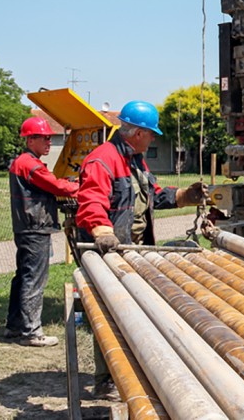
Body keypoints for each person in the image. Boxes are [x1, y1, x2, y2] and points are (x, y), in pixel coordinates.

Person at [76, 100, 207, 399]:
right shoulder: (103, 160)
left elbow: (154, 197)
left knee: (133, 311)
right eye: (151, 134)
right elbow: (91, 201)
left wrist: (186, 196)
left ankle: (131, 369)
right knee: (109, 314)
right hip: (107, 249)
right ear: (137, 133)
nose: (153, 139)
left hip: (131, 248)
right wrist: (103, 231)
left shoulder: (135, 161)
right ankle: (106, 379)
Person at [7, 117, 79, 347]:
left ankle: (14, 326)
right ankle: (31, 332)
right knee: (34, 279)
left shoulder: (24, 162)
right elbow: (57, 187)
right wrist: (82, 186)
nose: (49, 142)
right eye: (44, 138)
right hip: (34, 227)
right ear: (30, 140)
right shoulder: (30, 164)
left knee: (23, 277)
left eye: (49, 137)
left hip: (28, 227)